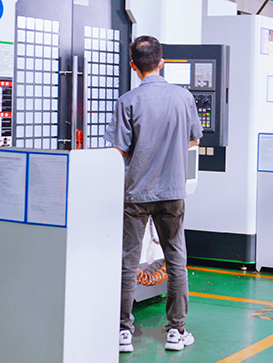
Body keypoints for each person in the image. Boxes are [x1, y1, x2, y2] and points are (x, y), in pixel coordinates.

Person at [105, 35, 203, 353]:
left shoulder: (127, 101)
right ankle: (176, 331)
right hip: (173, 191)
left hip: (136, 193)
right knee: (176, 259)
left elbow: (119, 150)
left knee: (128, 260)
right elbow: (194, 139)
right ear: (162, 62)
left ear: (133, 66)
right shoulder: (183, 98)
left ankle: (122, 331)